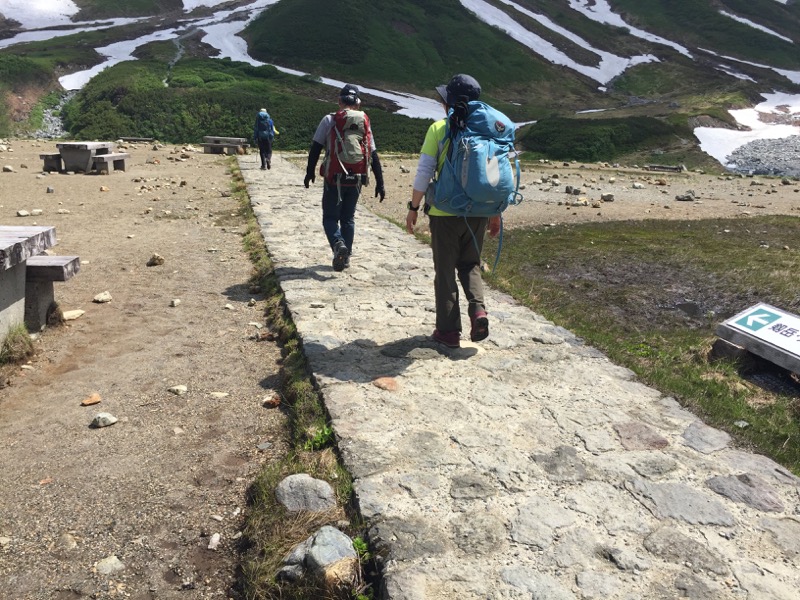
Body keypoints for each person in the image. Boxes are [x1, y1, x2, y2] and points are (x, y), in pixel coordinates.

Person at [406, 74, 501, 348]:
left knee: (445, 271)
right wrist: (495, 213)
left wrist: (413, 207)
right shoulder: (487, 133)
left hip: (444, 213)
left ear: (449, 102)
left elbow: (424, 172)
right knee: (470, 264)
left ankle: (448, 332)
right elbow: (494, 178)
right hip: (479, 211)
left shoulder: (439, 128)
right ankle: (478, 310)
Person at [304, 84, 385, 271]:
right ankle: (345, 257)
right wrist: (380, 183)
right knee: (348, 218)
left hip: (335, 177)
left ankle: (338, 244)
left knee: (330, 217)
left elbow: (315, 148)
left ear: (339, 101)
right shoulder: (364, 121)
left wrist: (309, 173)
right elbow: (372, 154)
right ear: (358, 102)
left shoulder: (329, 120)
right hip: (357, 178)